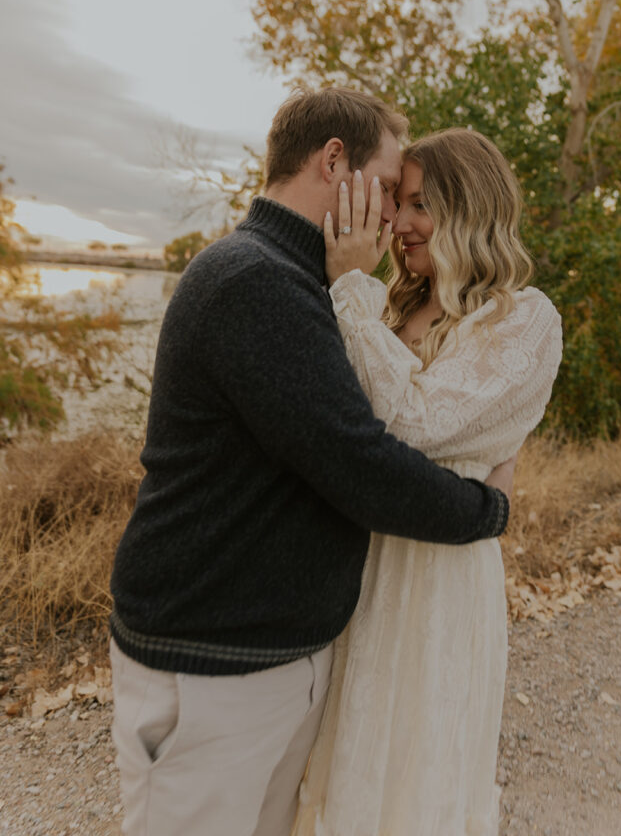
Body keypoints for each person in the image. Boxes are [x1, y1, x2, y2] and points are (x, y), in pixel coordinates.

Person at [108, 89, 512, 836]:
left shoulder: (303, 283)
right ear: (334, 161)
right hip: (212, 667)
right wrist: (487, 510)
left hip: (273, 658)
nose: (393, 217)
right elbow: (357, 462)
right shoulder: (254, 280)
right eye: (389, 188)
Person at [292, 127, 563, 836]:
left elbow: (414, 421)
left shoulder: (523, 319)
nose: (397, 223)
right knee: (340, 760)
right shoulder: (391, 306)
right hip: (355, 567)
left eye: (417, 204)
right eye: (396, 202)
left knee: (412, 772)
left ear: (467, 206)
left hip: (437, 579)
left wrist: (347, 281)